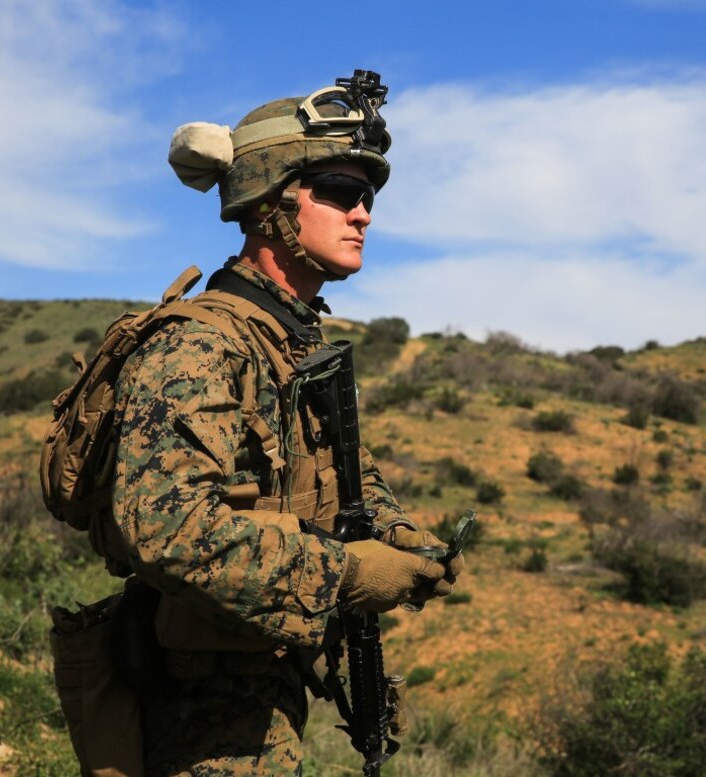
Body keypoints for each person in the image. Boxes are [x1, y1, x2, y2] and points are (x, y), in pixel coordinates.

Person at [111, 71, 463, 776]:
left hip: (262, 697)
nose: (362, 213)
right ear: (272, 201)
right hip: (199, 719)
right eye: (339, 191)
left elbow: (332, 474)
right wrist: (345, 574)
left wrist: (398, 537)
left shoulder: (290, 341)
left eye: (368, 197)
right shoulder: (204, 342)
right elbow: (162, 525)